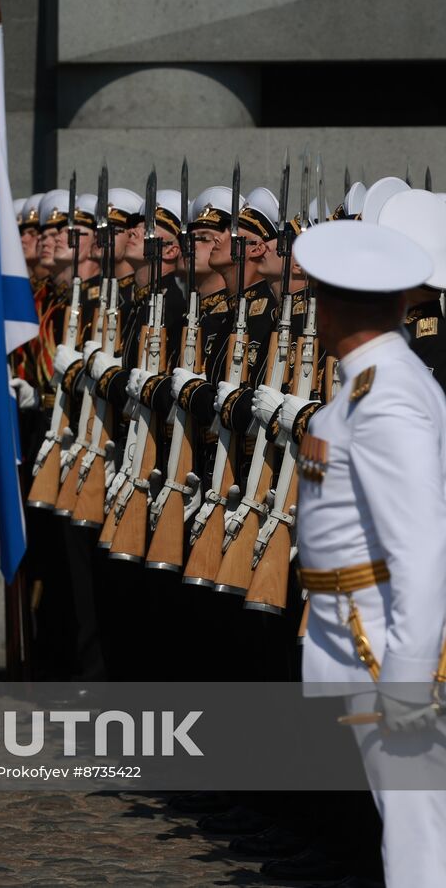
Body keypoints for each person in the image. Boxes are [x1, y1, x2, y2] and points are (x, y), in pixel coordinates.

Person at [281, 220, 446, 887]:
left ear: (329, 306)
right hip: (355, 624)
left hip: (379, 634)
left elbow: (423, 545)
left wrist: (406, 677)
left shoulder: (388, 397)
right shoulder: (366, 385)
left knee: (416, 829)